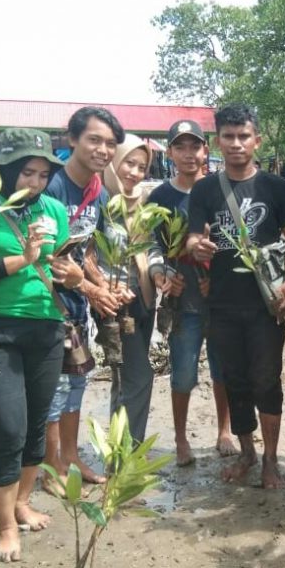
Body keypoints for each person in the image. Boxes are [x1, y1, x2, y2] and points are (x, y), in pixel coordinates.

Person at [0, 128, 83, 562]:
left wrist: (72, 274)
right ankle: (6, 526)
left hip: (46, 327)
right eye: (26, 172)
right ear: (7, 169)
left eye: (43, 173)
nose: (35, 182)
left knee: (35, 424)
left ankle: (22, 500)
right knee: (8, 427)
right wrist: (25, 260)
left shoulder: (52, 208)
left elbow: (63, 262)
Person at [187, 102, 285, 489]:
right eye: (228, 137)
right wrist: (197, 246)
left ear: (257, 139)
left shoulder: (277, 187)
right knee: (234, 379)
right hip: (220, 303)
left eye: (243, 136)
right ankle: (247, 453)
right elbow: (193, 235)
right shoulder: (205, 188)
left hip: (265, 305)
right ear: (216, 142)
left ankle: (271, 460)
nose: (236, 144)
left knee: (266, 380)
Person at [42, 106, 128, 490]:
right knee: (56, 388)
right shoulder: (54, 187)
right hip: (47, 305)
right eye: (94, 139)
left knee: (77, 380)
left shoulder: (97, 190)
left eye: (110, 143)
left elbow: (88, 249)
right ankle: (50, 467)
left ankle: (71, 457)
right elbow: (47, 256)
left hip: (74, 306)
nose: (103, 149)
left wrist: (102, 284)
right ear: (73, 139)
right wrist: (90, 288)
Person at [147, 119, 235, 466]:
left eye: (194, 146)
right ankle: (181, 438)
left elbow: (232, 243)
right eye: (180, 147)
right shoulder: (160, 197)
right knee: (183, 371)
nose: (188, 154)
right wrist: (164, 274)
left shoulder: (221, 189)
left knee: (223, 368)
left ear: (206, 150)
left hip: (221, 298)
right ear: (169, 152)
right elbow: (151, 245)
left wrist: (218, 277)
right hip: (182, 301)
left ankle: (224, 430)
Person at [99, 132, 166, 443]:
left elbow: (151, 246)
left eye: (141, 167)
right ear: (115, 161)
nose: (134, 172)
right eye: (129, 163)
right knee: (139, 377)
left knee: (124, 378)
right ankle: (130, 452)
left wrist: (157, 271)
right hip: (114, 303)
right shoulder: (101, 201)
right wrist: (105, 286)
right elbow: (89, 253)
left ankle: (119, 449)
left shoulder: (144, 202)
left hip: (143, 297)